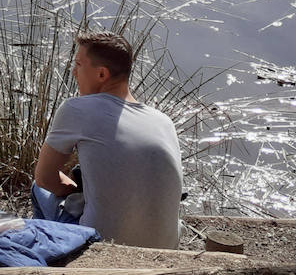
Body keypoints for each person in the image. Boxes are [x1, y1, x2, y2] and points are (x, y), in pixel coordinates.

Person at [33, 30, 183, 249]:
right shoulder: (164, 121)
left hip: (103, 245)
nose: (74, 72)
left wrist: (75, 192)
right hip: (165, 247)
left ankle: (50, 257)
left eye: (78, 64)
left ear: (102, 74)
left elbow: (44, 179)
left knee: (37, 190)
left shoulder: (76, 109)